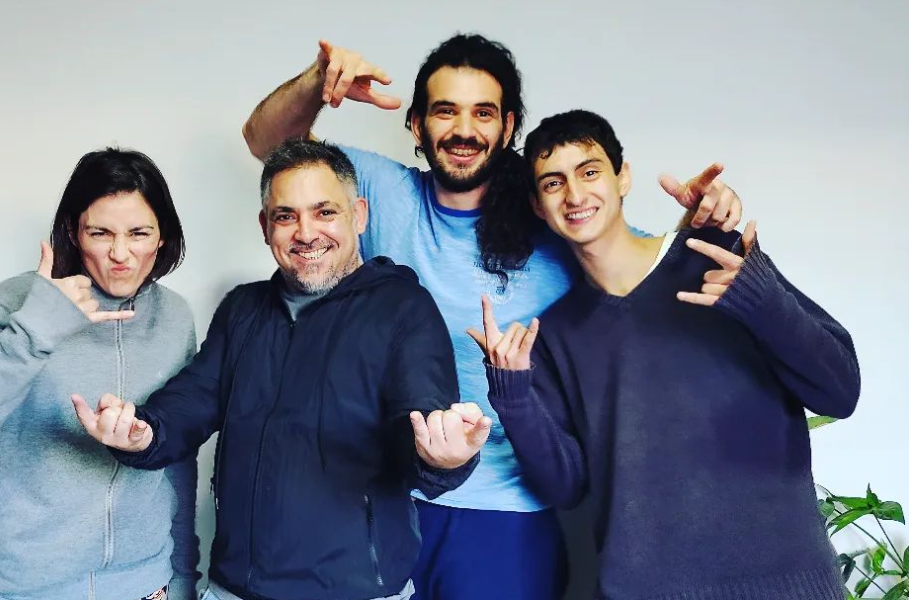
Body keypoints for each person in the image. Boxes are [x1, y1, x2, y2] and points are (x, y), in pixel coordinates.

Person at [242, 34, 744, 600]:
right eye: (445, 111)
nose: (463, 130)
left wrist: (707, 221)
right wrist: (319, 80)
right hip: (379, 499)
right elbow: (267, 143)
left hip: (504, 513)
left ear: (507, 128)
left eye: (483, 113)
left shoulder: (554, 218)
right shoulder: (380, 194)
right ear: (416, 125)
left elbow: (648, 269)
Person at [72, 138, 490, 600]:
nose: (306, 233)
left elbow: (422, 424)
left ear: (359, 215)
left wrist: (442, 458)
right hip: (234, 589)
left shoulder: (403, 308)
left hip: (355, 593)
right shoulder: (244, 308)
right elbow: (194, 399)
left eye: (324, 212)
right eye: (286, 216)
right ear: (265, 226)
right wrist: (144, 433)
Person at [471, 108, 861, 600]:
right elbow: (566, 486)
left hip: (787, 585)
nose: (574, 195)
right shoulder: (554, 335)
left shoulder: (715, 260)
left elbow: (839, 392)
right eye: (553, 183)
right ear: (537, 204)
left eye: (589, 171)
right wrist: (513, 395)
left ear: (623, 177)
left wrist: (762, 300)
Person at [0, 148, 201, 600]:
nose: (120, 254)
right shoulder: (18, 302)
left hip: (143, 582)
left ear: (162, 236)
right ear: (73, 231)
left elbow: (177, 457)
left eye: (139, 233)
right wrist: (36, 329)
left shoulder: (175, 317)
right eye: (100, 233)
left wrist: (183, 575)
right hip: (18, 586)